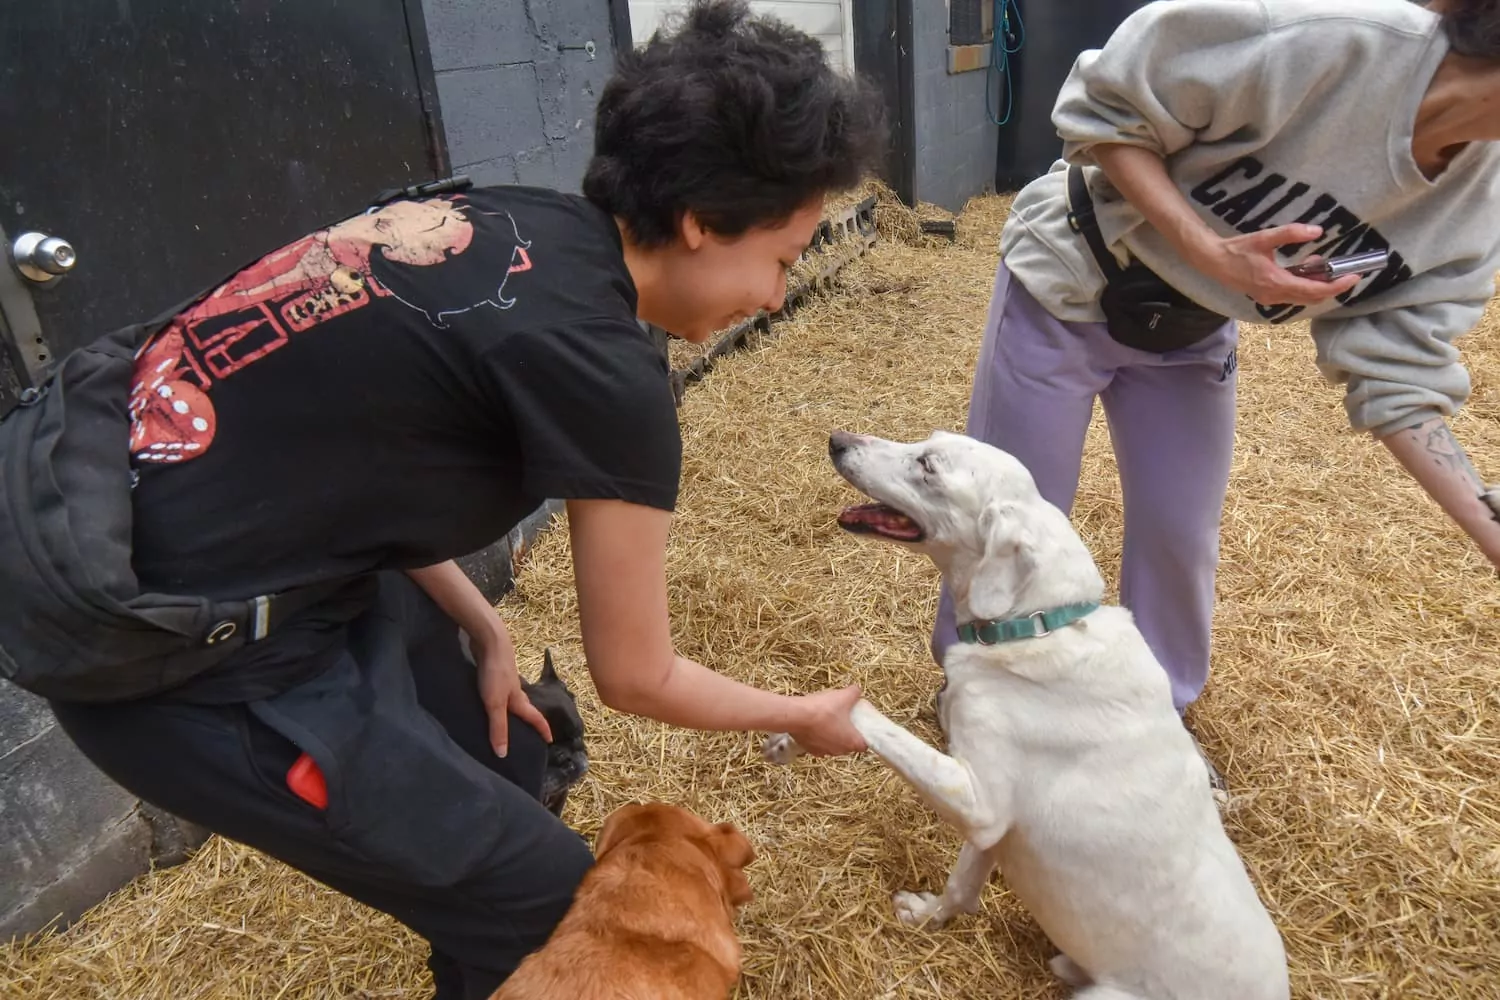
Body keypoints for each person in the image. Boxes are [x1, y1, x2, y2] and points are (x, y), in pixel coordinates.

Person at [44, 2, 884, 997]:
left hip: (237, 561)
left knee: (518, 753)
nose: (778, 297)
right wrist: (806, 711)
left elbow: (357, 464)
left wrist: (486, 628)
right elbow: (637, 673)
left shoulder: (505, 221)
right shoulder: (604, 368)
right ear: (704, 224)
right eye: (782, 259)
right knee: (548, 908)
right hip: (173, 661)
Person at [932, 0, 1500, 788]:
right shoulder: (1332, 41)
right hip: (1070, 279)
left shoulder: (1475, 204)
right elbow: (1104, 109)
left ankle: (1151, 727)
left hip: (1191, 331)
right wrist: (1212, 250)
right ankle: (980, 701)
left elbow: (1397, 371)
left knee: (1180, 531)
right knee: (1008, 520)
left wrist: (1488, 526)